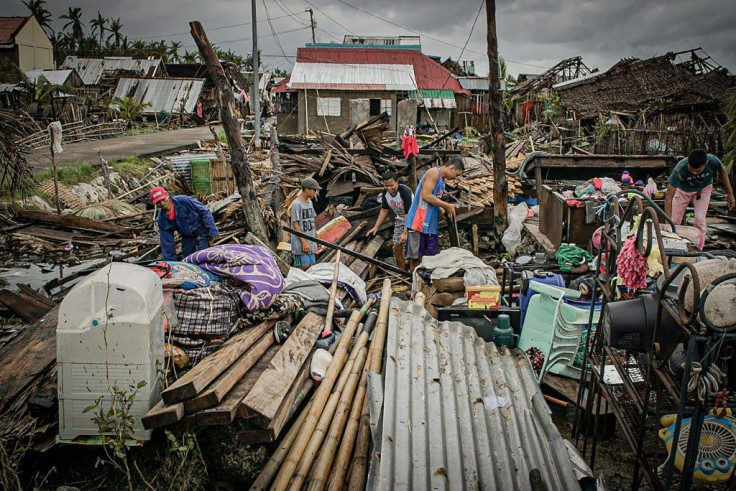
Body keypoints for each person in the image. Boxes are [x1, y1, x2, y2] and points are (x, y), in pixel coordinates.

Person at [665, 149, 735, 249]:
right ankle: (672, 247)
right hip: (683, 190)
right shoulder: (679, 169)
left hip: (703, 189)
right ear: (688, 162)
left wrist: (730, 193)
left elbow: (722, 170)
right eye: (691, 169)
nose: (694, 173)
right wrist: (668, 223)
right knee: (674, 221)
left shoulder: (712, 160)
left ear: (705, 163)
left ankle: (698, 249)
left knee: (699, 220)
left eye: (697, 171)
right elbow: (668, 198)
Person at [404, 157, 465, 271]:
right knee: (416, 258)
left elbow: (434, 199)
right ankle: (415, 282)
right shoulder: (433, 173)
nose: (455, 178)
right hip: (419, 222)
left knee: (429, 258)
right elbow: (426, 196)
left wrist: (441, 210)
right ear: (452, 168)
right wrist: (446, 205)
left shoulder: (442, 180)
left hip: (430, 224)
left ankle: (424, 283)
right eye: (456, 174)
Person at [150, 187, 219, 261]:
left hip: (202, 236)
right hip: (187, 240)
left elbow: (204, 211)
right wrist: (171, 265)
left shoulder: (183, 200)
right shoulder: (162, 219)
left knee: (203, 261)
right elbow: (167, 244)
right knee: (188, 263)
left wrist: (213, 230)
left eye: (163, 200)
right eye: (158, 202)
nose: (162, 203)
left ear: (166, 194)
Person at [366, 171, 413, 270]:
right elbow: (384, 210)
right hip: (400, 218)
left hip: (414, 218)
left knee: (413, 247)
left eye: (391, 185)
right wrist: (376, 227)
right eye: (386, 186)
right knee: (397, 245)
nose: (389, 188)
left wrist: (405, 233)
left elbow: (410, 214)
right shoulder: (385, 193)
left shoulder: (404, 191)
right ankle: (402, 271)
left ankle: (414, 271)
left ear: (397, 182)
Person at [291, 177, 321, 270]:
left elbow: (312, 220)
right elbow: (295, 224)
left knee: (311, 265)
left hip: (310, 240)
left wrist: (316, 238)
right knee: (304, 265)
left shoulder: (310, 203)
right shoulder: (297, 204)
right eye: (314, 190)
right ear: (307, 189)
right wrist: (304, 242)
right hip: (301, 242)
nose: (315, 192)